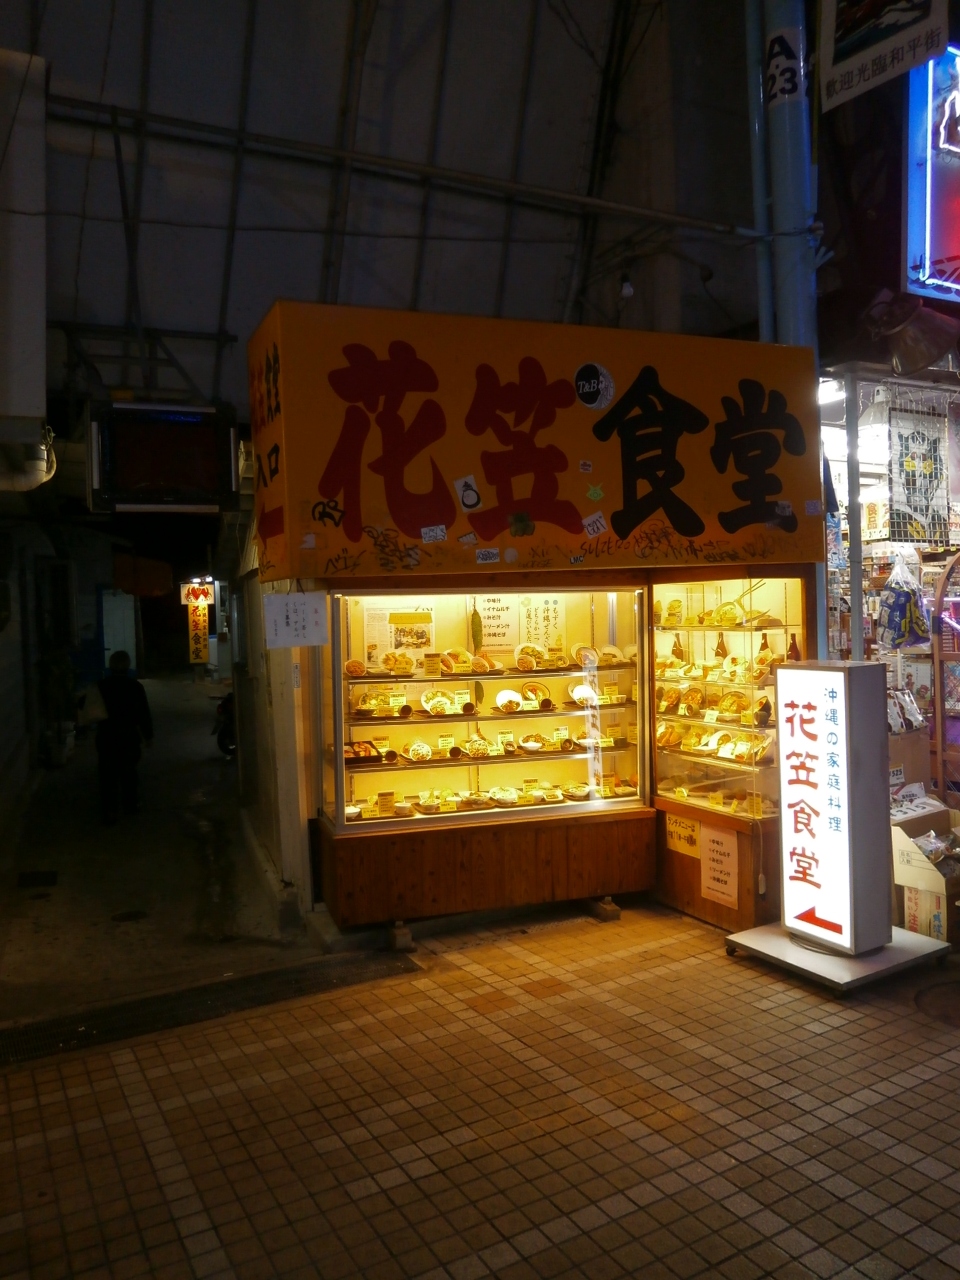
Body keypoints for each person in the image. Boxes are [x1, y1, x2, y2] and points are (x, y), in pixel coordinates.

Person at [96, 650, 153, 824]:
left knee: (108, 775)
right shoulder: (135, 687)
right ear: (128, 666)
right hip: (128, 736)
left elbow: (90, 711)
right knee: (128, 772)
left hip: (106, 736)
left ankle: (110, 809)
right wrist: (148, 736)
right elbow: (144, 714)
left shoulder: (101, 686)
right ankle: (130, 805)